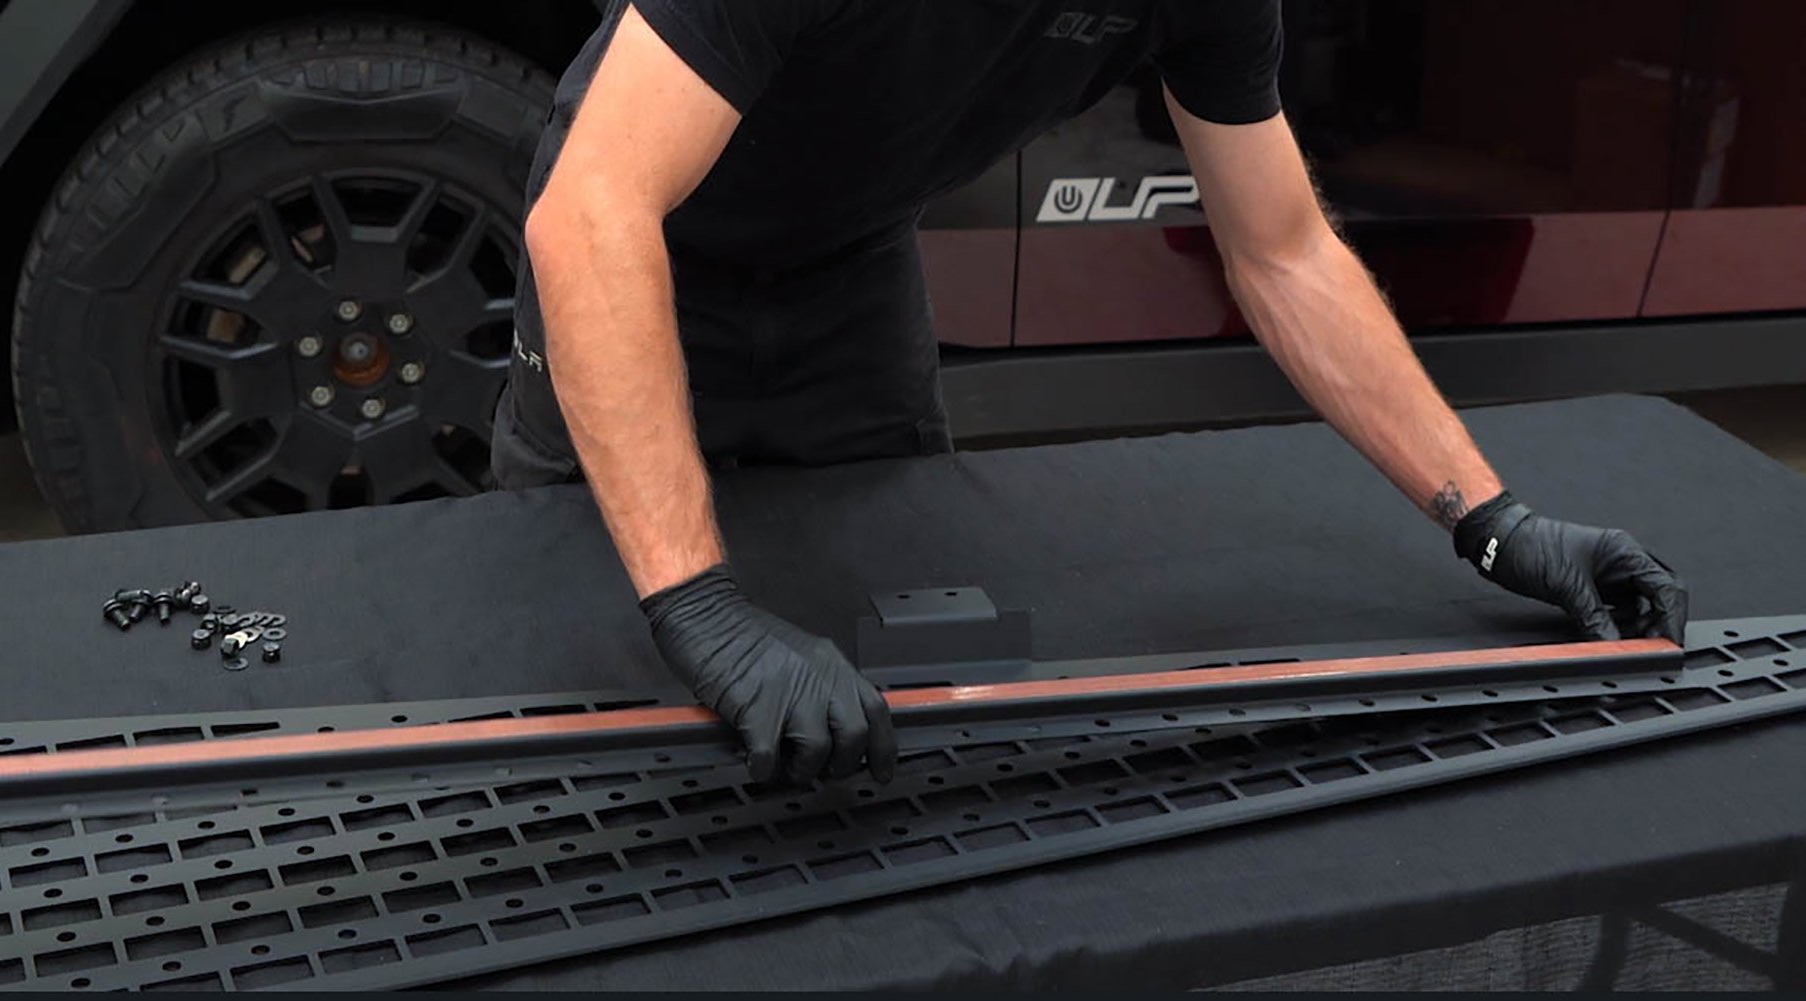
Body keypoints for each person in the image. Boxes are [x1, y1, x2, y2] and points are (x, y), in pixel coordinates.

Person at [490, 0, 1689, 787]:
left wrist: (1491, 518)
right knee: (585, 653)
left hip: (846, 267)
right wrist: (698, 602)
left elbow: (1282, 250)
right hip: (635, 242)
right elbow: (592, 214)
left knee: (897, 630)